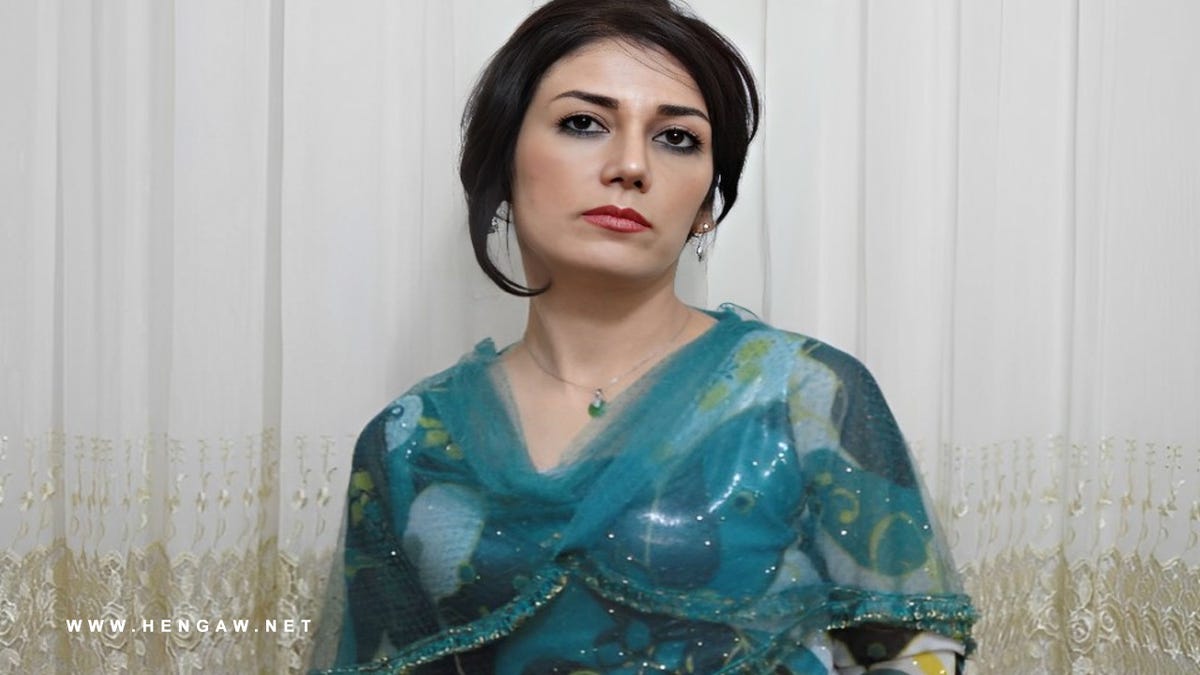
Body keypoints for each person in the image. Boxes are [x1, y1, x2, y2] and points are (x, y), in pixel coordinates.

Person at [308, 0, 976, 672]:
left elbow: (915, 654)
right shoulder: (409, 443)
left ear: (707, 204)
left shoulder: (806, 398)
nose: (631, 165)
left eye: (677, 138)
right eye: (583, 123)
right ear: (501, 161)